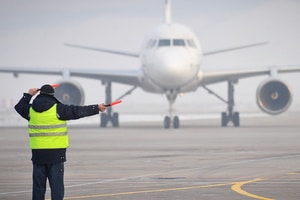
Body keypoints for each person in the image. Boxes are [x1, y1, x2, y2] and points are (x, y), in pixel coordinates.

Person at [14, 84, 107, 200]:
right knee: (56, 186)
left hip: (38, 155)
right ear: (52, 95)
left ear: (40, 94)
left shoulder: (30, 110)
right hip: (56, 155)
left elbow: (19, 107)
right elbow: (77, 111)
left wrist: (28, 95)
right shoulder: (58, 109)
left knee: (38, 187)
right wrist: (96, 108)